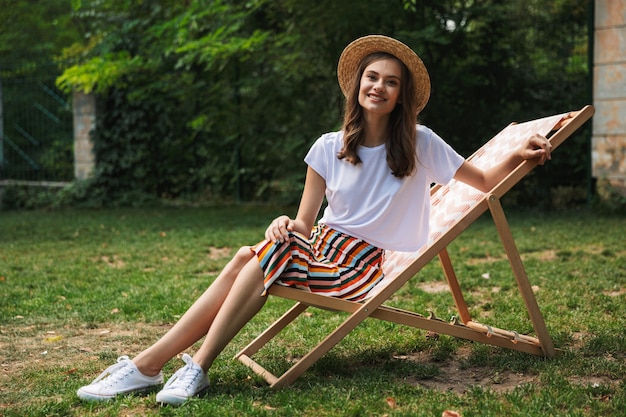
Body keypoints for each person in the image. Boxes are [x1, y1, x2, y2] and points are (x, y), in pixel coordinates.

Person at [76, 35, 552, 405]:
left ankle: (189, 366)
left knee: (256, 258)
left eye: (390, 81)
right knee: (257, 250)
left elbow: (484, 176)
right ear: (357, 84)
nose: (378, 86)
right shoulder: (327, 147)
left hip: (358, 266)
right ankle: (156, 365)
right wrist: (284, 221)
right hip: (316, 245)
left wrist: (523, 154)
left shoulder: (420, 141)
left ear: (401, 94)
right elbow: (305, 224)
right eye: (371, 77)